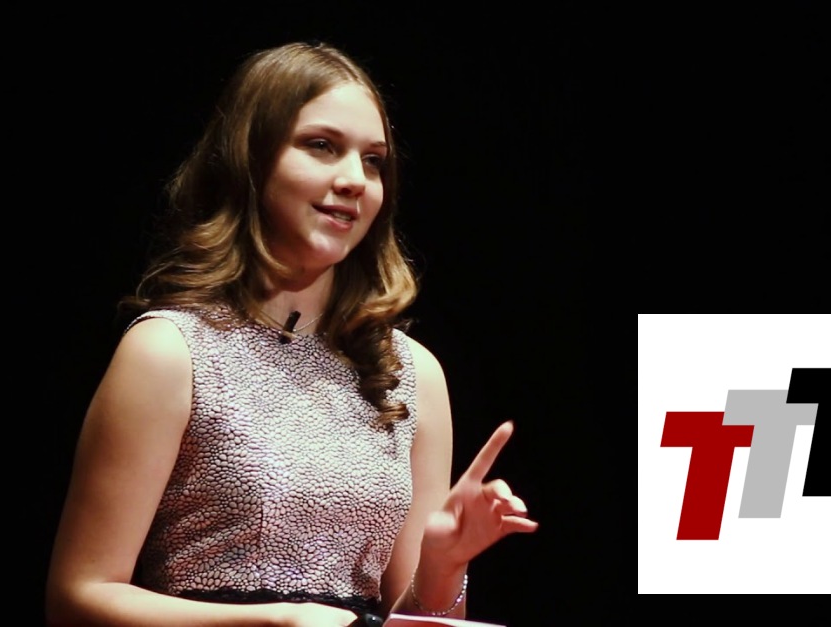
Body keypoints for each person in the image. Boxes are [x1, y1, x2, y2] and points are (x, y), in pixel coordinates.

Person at [45, 40, 539, 627]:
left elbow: (419, 619)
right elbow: (78, 597)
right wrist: (278, 620)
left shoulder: (411, 374)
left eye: (373, 161)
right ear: (251, 161)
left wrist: (442, 565)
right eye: (322, 146)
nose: (354, 179)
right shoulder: (170, 351)